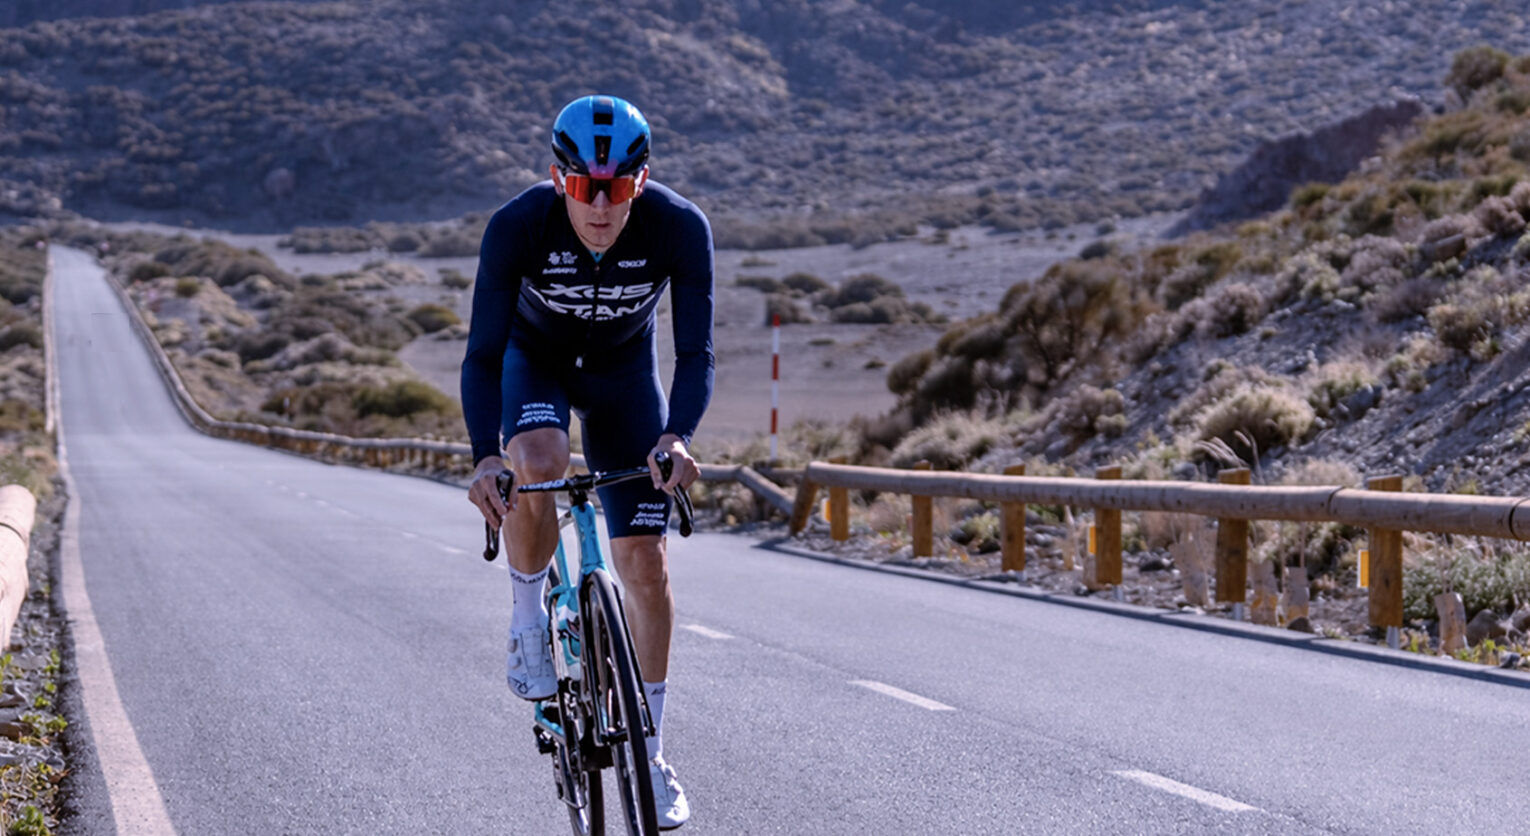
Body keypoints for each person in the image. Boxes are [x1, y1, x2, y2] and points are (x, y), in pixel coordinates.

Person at [461, 94, 713, 830]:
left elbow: (696, 353)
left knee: (646, 565)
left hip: (624, 377)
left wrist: (678, 436)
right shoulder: (517, 226)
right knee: (538, 460)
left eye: (617, 187)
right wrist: (484, 456)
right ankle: (527, 620)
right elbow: (482, 355)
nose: (600, 206)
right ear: (557, 178)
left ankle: (651, 754)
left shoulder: (679, 227)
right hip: (534, 363)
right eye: (582, 187)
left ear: (642, 180)